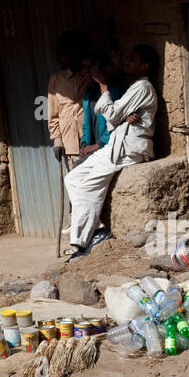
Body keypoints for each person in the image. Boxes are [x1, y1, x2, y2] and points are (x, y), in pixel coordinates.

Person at [63, 44, 159, 257]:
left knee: (88, 185)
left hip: (127, 149)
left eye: (133, 59)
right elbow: (114, 117)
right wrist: (121, 116)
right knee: (72, 178)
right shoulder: (134, 88)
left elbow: (112, 115)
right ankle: (98, 229)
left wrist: (104, 88)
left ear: (145, 66)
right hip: (116, 145)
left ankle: (81, 243)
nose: (128, 61)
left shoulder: (142, 87)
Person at [47, 31, 91, 170]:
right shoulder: (56, 79)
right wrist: (57, 140)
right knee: (74, 184)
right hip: (68, 144)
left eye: (71, 53)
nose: (68, 57)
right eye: (64, 54)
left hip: (90, 141)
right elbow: (53, 114)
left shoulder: (89, 76)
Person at [77, 54, 119, 160]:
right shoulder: (87, 96)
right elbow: (86, 125)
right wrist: (84, 145)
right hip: (93, 150)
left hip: (107, 148)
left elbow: (116, 121)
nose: (87, 71)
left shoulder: (111, 92)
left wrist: (98, 144)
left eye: (90, 68)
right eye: (83, 67)